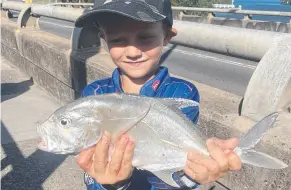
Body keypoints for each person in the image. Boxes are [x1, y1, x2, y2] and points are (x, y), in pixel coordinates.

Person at [74, 0, 242, 189]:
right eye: (117, 40)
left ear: (167, 36)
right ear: (104, 38)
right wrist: (113, 184)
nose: (133, 52)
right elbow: (90, 171)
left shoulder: (182, 93)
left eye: (145, 38)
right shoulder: (95, 95)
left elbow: (176, 175)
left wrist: (195, 174)